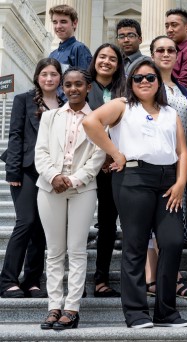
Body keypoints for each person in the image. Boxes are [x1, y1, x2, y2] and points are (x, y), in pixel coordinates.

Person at [83, 59, 187, 329]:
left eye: (150, 78)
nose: (144, 82)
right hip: (134, 177)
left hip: (168, 180)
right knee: (135, 245)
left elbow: (182, 152)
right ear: (130, 82)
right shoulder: (122, 105)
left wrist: (180, 183)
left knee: (173, 241)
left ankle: (165, 312)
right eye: (138, 78)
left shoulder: (170, 113)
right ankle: (136, 313)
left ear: (158, 82)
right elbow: (90, 122)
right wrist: (115, 153)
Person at [36, 67, 105, 330]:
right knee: (54, 252)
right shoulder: (50, 117)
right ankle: (54, 306)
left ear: (88, 87)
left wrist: (74, 180)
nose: (73, 89)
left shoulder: (98, 119)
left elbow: (98, 156)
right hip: (49, 187)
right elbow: (40, 151)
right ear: (63, 88)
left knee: (77, 250)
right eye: (68, 85)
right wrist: (54, 176)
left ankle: (72, 308)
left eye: (79, 84)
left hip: (82, 189)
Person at [0, 58, 63, 299]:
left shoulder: (65, 103)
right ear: (37, 76)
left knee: (41, 227)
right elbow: (15, 135)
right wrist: (13, 170)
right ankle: (7, 280)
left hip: (52, 173)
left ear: (60, 77)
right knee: (26, 222)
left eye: (54, 74)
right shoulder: (23, 100)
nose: (49, 78)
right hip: (26, 170)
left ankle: (33, 280)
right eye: (45, 74)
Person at [148, 35, 187, 299]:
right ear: (152, 54)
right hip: (151, 163)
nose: (166, 54)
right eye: (160, 50)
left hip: (177, 163)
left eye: (171, 50)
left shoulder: (183, 90)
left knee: (170, 222)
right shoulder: (144, 85)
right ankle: (156, 278)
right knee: (152, 223)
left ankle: (165, 276)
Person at [87, 43, 126, 298]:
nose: (106, 62)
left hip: (115, 166)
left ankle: (101, 278)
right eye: (102, 57)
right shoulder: (84, 85)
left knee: (109, 225)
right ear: (95, 60)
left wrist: (113, 155)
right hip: (86, 165)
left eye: (112, 58)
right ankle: (76, 278)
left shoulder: (125, 89)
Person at [48, 4, 92, 72]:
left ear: (74, 23)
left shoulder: (79, 48)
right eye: (55, 22)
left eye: (63, 22)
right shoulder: (52, 55)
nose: (58, 26)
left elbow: (85, 79)